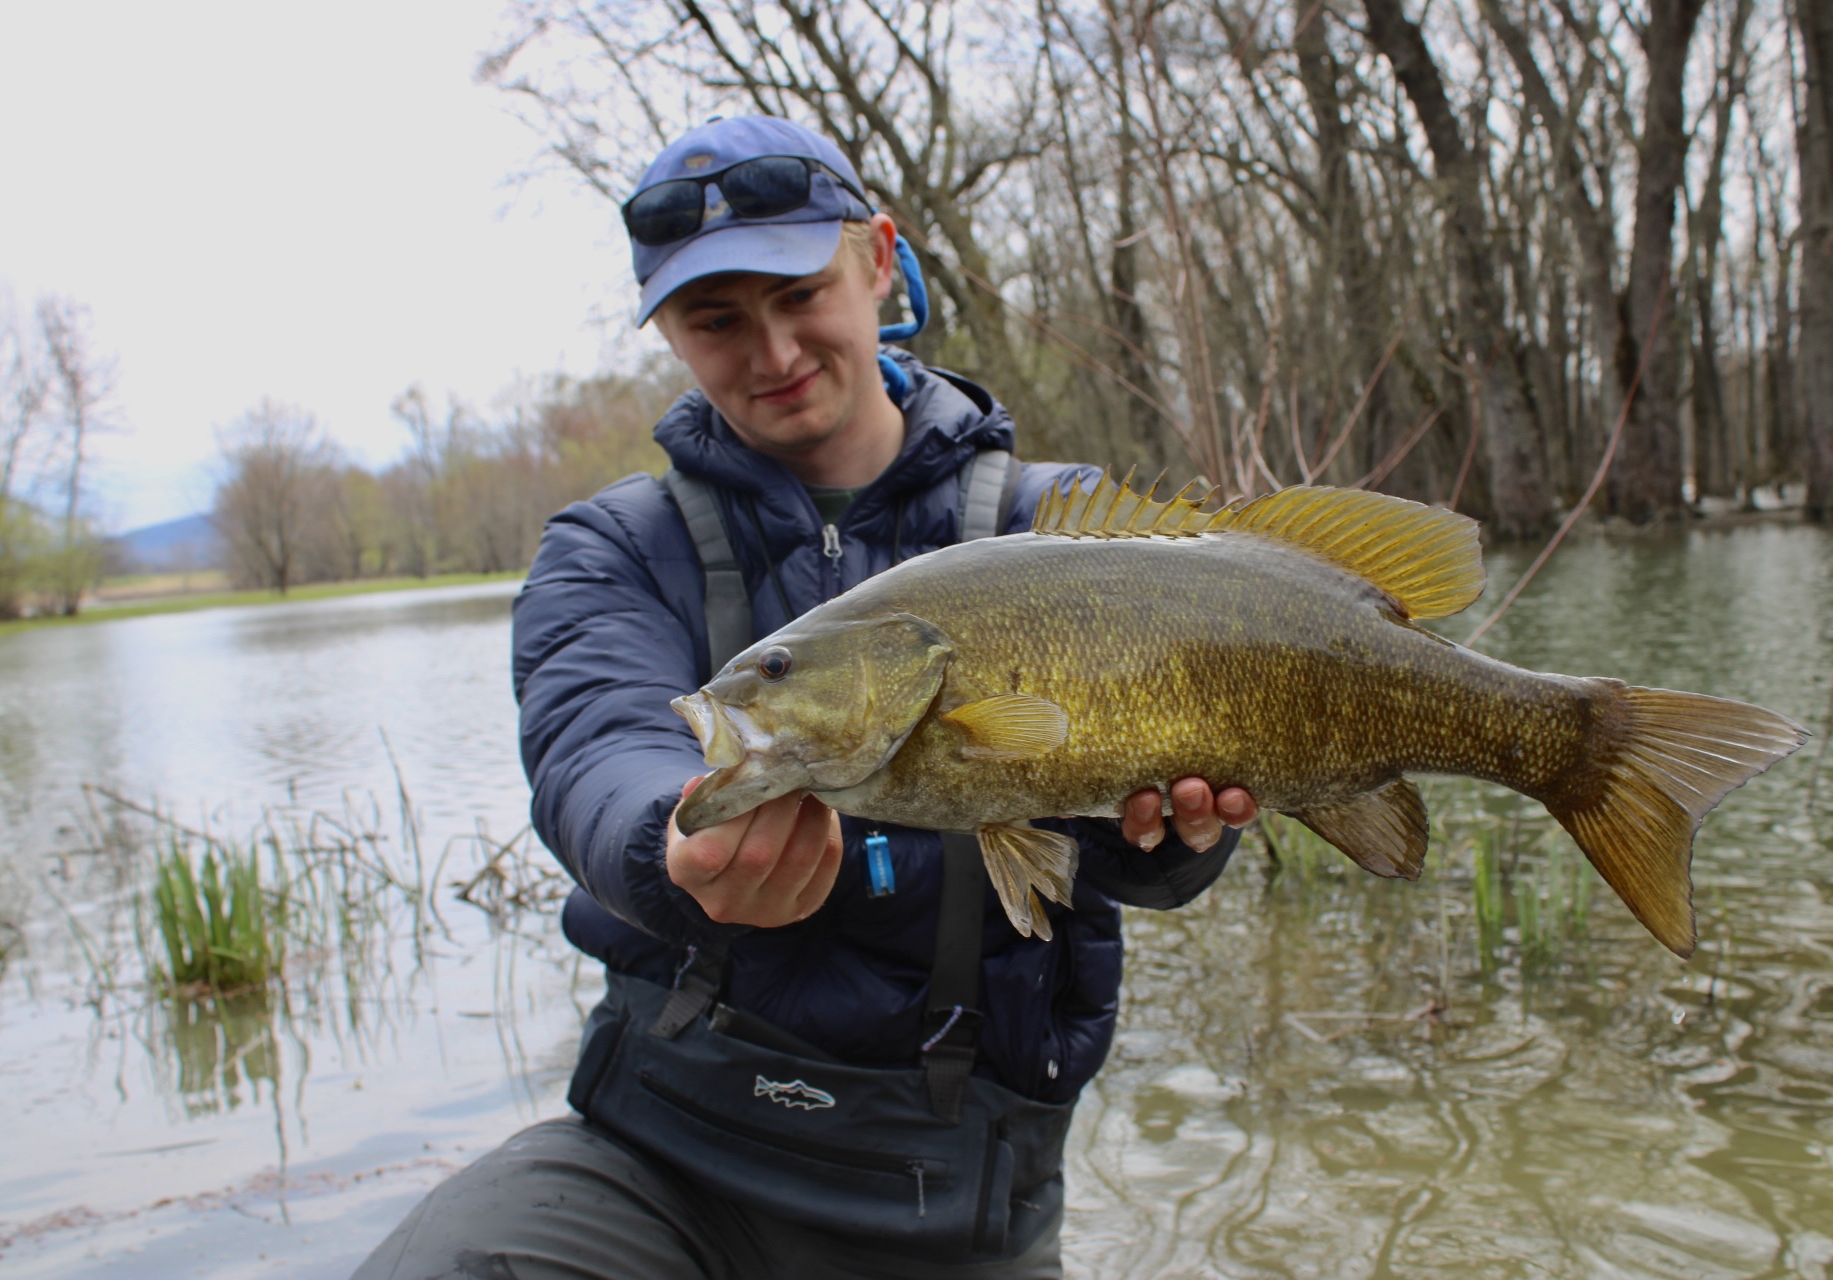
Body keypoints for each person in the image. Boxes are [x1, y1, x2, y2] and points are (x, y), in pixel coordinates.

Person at [354, 115, 1254, 1280]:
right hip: (662, 1161)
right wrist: (670, 837)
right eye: (713, 319)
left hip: (962, 1186)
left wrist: (1177, 841)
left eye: (798, 291)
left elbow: (1138, 847)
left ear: (880, 261)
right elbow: (593, 744)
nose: (770, 349)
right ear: (668, 333)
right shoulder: (611, 549)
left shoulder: (1063, 526)